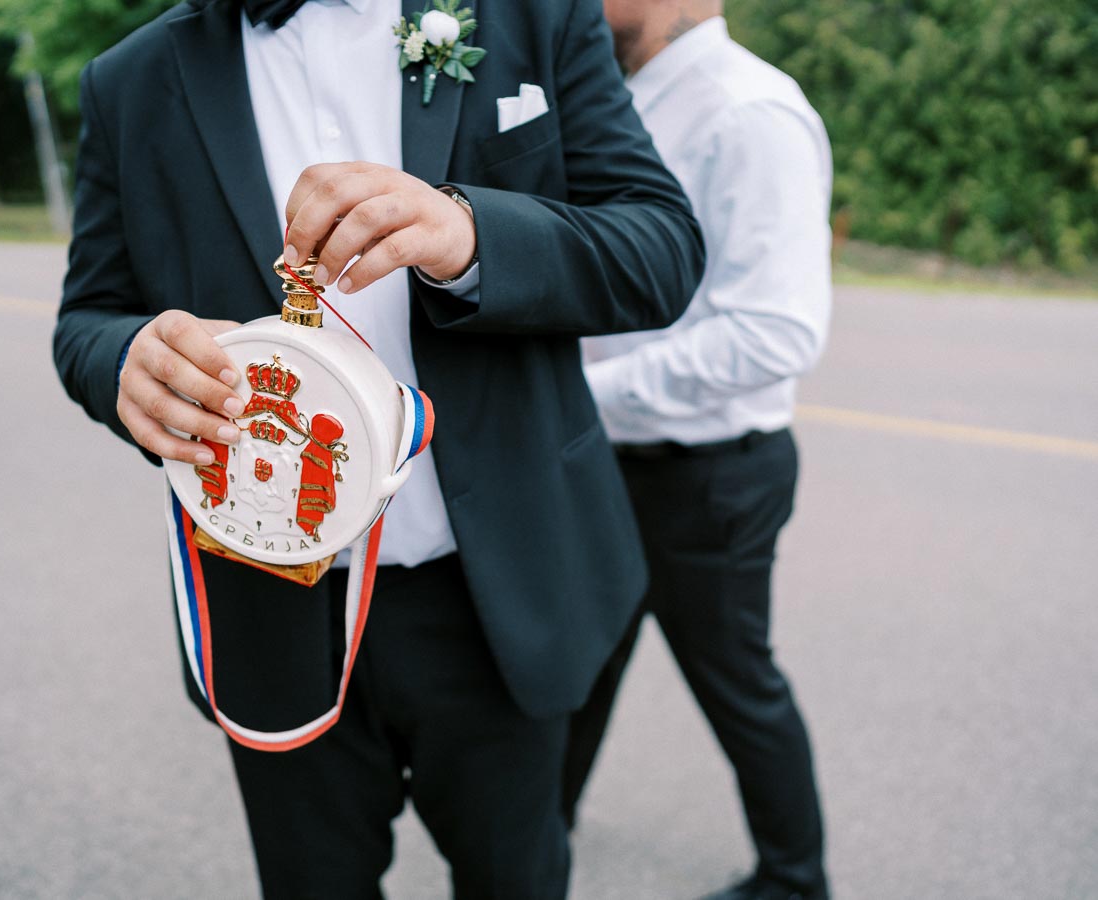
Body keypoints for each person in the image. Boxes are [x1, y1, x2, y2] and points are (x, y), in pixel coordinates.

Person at [53, 0, 705, 896]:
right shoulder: (130, 79)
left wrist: (469, 235)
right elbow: (87, 316)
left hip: (498, 595)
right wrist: (124, 360)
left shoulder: (533, 13)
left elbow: (661, 247)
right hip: (270, 599)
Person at [565, 2, 833, 898]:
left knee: (738, 686)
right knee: (575, 663)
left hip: (708, 476)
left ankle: (795, 881)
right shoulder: (613, 100)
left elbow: (773, 332)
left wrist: (584, 394)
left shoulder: (748, 113)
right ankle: (536, 838)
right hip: (607, 458)